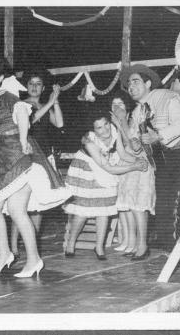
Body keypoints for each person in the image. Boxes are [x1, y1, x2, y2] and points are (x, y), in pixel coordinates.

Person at [0, 55, 70, 278]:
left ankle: (32, 259)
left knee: (14, 209)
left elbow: (21, 113)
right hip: (0, 154)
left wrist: (25, 139)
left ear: (0, 77)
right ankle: (6, 254)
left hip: (18, 152)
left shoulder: (8, 96)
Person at [120, 64, 180, 250]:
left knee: (178, 202)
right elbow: (136, 139)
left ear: (148, 83)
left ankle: (179, 249)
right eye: (128, 83)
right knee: (162, 203)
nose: (131, 86)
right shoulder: (138, 111)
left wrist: (158, 135)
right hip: (160, 161)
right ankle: (168, 244)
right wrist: (136, 143)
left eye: (135, 81)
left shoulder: (168, 97)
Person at [63, 108, 148, 260]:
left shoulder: (114, 133)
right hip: (88, 170)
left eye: (106, 124)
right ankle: (70, 243)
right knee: (83, 211)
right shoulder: (90, 142)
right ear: (93, 130)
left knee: (103, 210)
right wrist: (133, 166)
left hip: (106, 168)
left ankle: (99, 247)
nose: (105, 130)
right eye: (99, 127)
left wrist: (138, 161)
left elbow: (122, 154)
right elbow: (107, 167)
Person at [10, 69, 64, 258]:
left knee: (39, 203)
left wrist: (55, 101)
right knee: (20, 204)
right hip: (28, 156)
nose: (34, 87)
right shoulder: (22, 105)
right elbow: (32, 120)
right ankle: (13, 247)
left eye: (38, 84)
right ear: (26, 86)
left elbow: (59, 123)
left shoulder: (44, 104)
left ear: (43, 88)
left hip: (44, 158)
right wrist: (50, 101)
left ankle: (32, 244)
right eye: (31, 83)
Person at [111, 92, 157, 261]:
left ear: (127, 109)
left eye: (120, 105)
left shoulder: (136, 122)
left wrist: (121, 124)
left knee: (139, 207)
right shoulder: (120, 124)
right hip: (128, 169)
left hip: (141, 168)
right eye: (114, 105)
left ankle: (143, 245)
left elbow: (136, 147)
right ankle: (136, 244)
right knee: (131, 207)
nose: (117, 108)